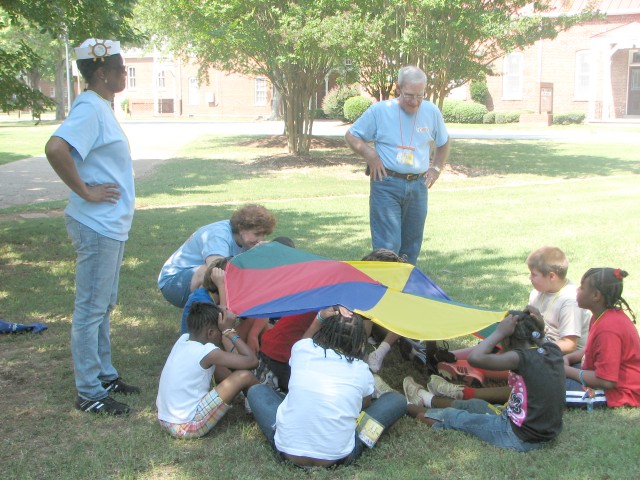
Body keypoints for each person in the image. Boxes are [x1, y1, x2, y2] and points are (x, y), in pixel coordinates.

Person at [45, 38, 138, 415]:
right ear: (101, 73)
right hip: (96, 224)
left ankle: (103, 374)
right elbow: (56, 149)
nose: (123, 74)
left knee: (103, 304)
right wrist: (84, 190)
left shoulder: (100, 106)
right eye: (119, 68)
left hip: (109, 225)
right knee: (90, 308)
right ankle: (89, 391)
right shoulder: (89, 108)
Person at [247, 306, 407, 468]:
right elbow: (363, 405)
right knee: (397, 400)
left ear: (325, 332)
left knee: (257, 391)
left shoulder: (304, 351)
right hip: (341, 457)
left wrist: (319, 319)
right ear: (361, 341)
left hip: (287, 453)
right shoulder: (361, 369)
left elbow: (304, 340)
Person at [404, 310, 565, 452]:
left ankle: (402, 405)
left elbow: (475, 358)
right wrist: (540, 328)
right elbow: (542, 338)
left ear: (507, 341)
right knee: (475, 405)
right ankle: (425, 398)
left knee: (456, 418)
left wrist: (499, 333)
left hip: (518, 436)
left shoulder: (519, 358)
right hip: (535, 429)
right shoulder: (552, 350)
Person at [345, 66, 450, 265]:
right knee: (387, 246)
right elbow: (352, 135)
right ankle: (385, 290)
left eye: (420, 95)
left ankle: (405, 291)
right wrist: (371, 155)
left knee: (411, 246)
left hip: (418, 186)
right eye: (409, 95)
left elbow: (443, 142)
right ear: (398, 88)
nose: (415, 101)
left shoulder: (431, 111)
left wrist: (436, 168)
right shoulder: (380, 110)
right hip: (386, 182)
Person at [156, 302, 259, 438]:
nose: (222, 336)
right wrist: (230, 332)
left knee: (220, 369)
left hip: (165, 420)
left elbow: (224, 370)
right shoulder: (208, 352)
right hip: (187, 425)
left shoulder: (183, 340)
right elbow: (252, 361)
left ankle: (245, 398)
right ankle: (263, 408)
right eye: (220, 332)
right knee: (244, 376)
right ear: (210, 333)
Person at [158, 204, 276, 308]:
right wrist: (252, 257)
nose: (260, 239)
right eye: (257, 234)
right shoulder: (218, 235)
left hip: (190, 279)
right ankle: (201, 322)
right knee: (215, 273)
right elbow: (216, 269)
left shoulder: (246, 240)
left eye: (264, 235)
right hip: (173, 283)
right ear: (241, 228)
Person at [565, 268, 640, 408]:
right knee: (550, 370)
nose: (577, 290)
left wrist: (566, 370)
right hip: (602, 379)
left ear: (596, 295)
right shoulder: (601, 316)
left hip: (619, 391)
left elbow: (606, 381)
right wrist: (569, 359)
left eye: (582, 287)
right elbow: (592, 350)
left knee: (550, 390)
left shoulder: (608, 329)